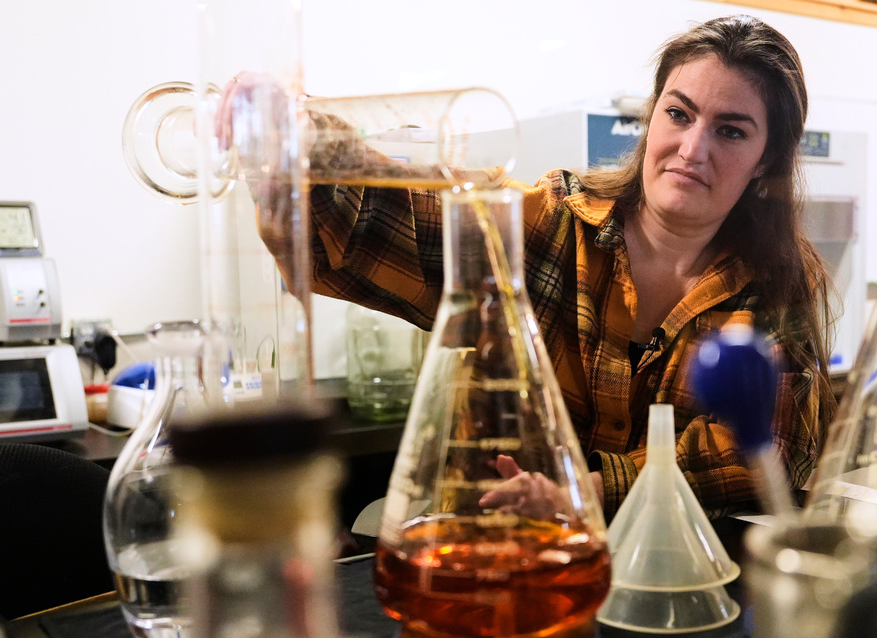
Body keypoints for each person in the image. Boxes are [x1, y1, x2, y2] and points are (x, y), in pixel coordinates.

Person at [255, 14, 837, 521]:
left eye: (730, 130)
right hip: (502, 557)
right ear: (651, 116)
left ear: (766, 161)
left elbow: (766, 451)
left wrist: (583, 492)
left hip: (672, 579)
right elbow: (374, 219)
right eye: (679, 113)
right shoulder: (550, 228)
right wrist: (301, 138)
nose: (692, 148)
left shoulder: (776, 284)